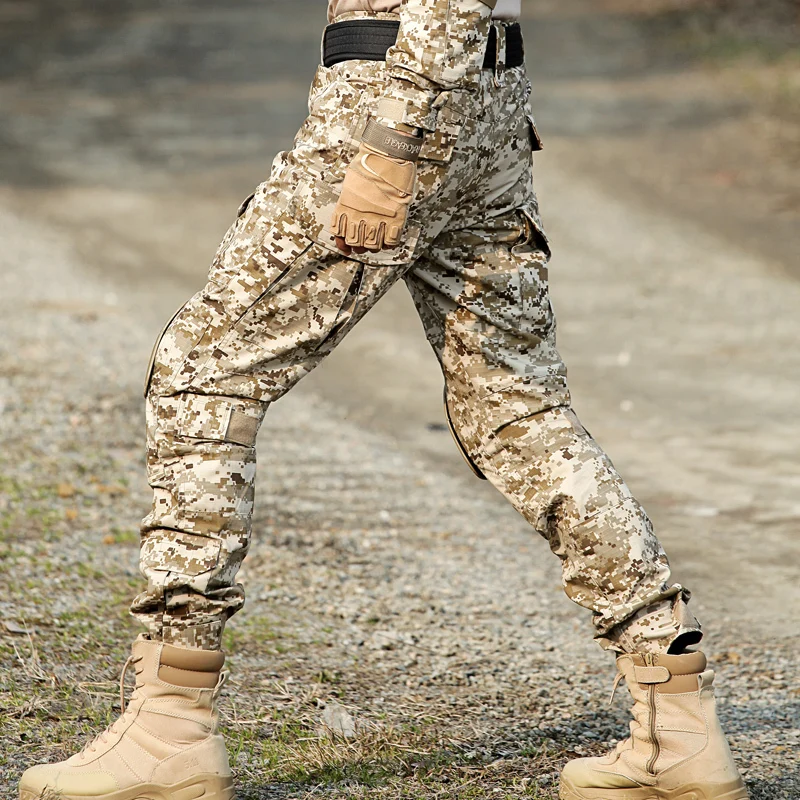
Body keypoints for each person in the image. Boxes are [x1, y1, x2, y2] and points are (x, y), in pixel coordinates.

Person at [19, 2, 749, 799]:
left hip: (400, 86)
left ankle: (168, 726)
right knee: (516, 409)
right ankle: (677, 718)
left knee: (203, 370)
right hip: (486, 96)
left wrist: (394, 138)